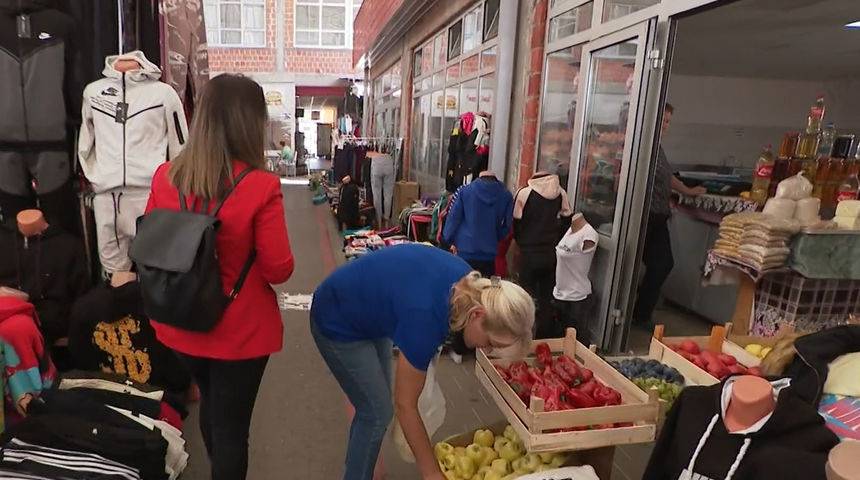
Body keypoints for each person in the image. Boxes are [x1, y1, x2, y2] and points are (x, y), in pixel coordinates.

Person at [144, 74, 294, 480]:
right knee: (231, 431)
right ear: (250, 123)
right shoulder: (261, 186)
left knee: (212, 404)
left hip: (180, 322)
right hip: (238, 333)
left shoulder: (165, 177)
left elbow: (153, 244)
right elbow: (279, 268)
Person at [310, 244, 534, 480]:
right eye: (490, 342)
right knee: (376, 413)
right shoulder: (426, 319)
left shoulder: (470, 284)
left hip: (369, 313)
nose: (486, 349)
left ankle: (359, 461)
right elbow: (405, 404)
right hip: (336, 318)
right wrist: (431, 472)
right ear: (477, 315)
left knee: (375, 408)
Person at [633, 103, 706, 326]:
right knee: (637, 265)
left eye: (667, 122)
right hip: (642, 218)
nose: (665, 126)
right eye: (662, 120)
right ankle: (632, 316)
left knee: (663, 264)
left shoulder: (657, 148)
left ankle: (640, 315)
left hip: (658, 217)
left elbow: (666, 176)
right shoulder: (641, 146)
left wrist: (688, 190)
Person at [513, 171, 572, 338]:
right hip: (550, 253)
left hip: (529, 252)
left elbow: (516, 221)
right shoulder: (561, 193)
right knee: (546, 297)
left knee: (525, 296)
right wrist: (556, 240)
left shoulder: (524, 193)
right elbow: (567, 220)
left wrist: (522, 242)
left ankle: (524, 333)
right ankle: (543, 336)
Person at [442, 171, 514, 277]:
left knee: (465, 288)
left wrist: (449, 240)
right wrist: (496, 236)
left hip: (465, 251)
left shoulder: (465, 191)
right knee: (485, 289)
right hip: (489, 254)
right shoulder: (506, 195)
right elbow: (507, 225)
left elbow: (454, 219)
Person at [553, 213, 599, 338]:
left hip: (577, 297)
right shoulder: (571, 229)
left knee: (576, 338)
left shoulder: (589, 235)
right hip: (560, 293)